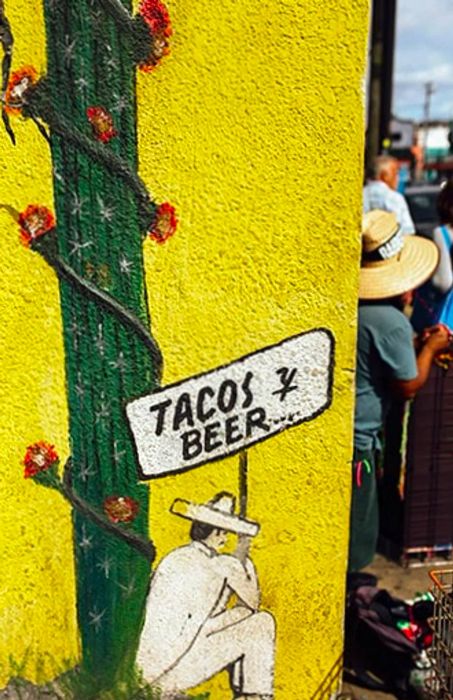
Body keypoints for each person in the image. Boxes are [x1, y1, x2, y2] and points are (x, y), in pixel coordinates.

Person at [349, 210, 451, 572]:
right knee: (358, 542)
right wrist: (430, 349)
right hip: (360, 440)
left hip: (350, 433)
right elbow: (407, 384)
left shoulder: (360, 309)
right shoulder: (389, 319)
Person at [137, 492, 275, 700]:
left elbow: (201, 624)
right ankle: (254, 695)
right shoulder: (221, 564)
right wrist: (244, 559)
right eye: (224, 532)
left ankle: (247, 691)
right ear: (215, 531)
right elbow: (252, 603)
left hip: (154, 667)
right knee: (262, 622)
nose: (225, 538)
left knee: (247, 620)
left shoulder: (176, 557)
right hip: (174, 667)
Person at [363, 156, 415, 235]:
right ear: (385, 176)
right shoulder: (394, 198)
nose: (398, 178)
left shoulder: (361, 195)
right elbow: (408, 230)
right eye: (395, 173)